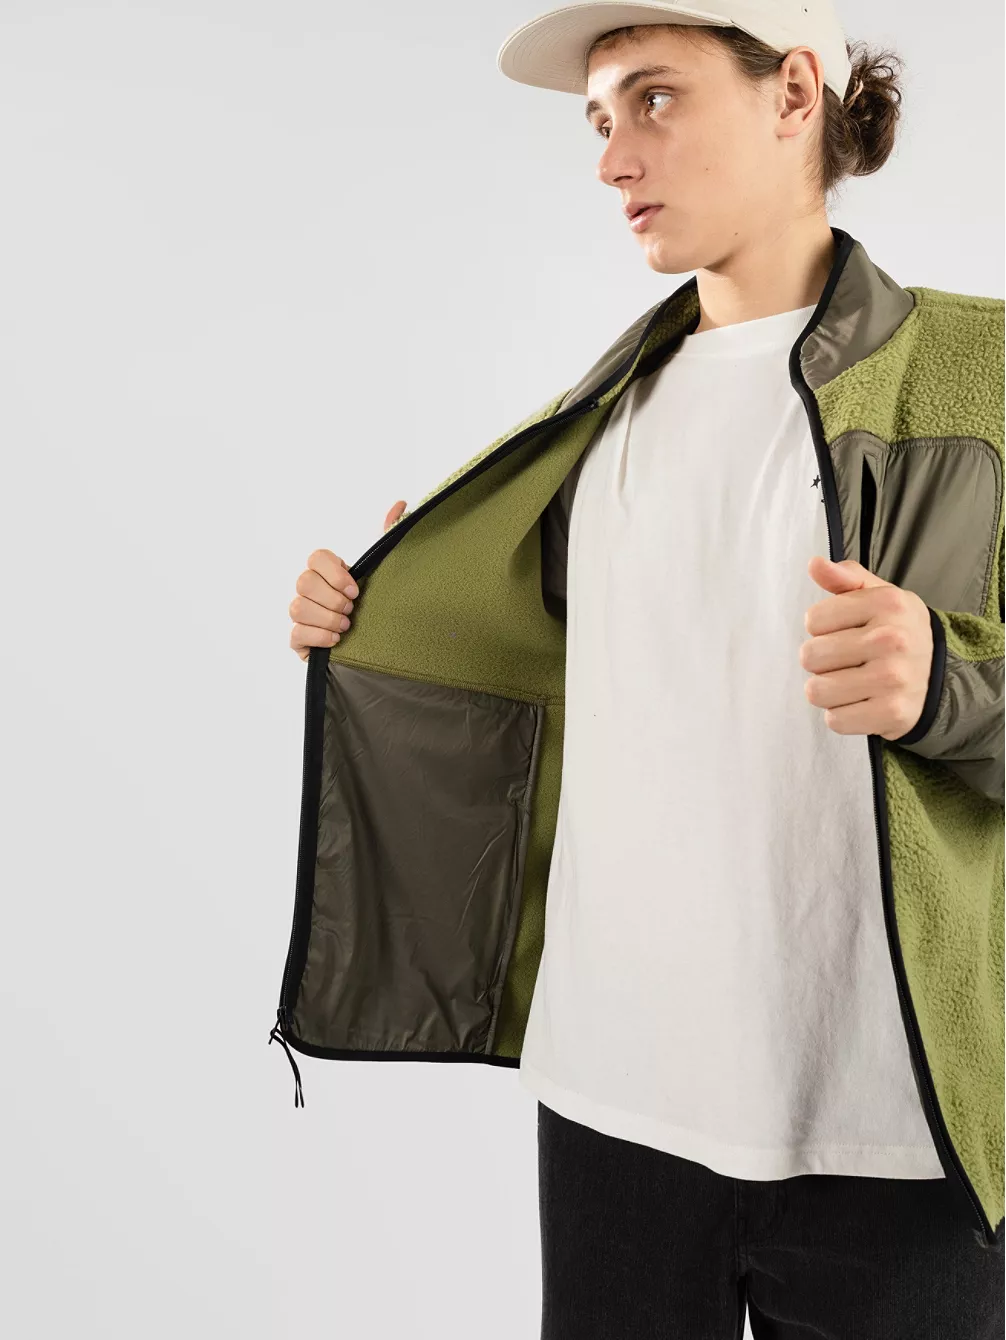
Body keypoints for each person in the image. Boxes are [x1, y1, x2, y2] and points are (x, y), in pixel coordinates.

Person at [280, 2, 1005, 1335]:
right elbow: (543, 689)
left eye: (655, 100)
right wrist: (378, 616)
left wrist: (944, 687)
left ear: (794, 95)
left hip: (895, 1131)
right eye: (600, 121)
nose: (613, 158)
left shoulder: (982, 374)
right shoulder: (590, 424)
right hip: (610, 1105)